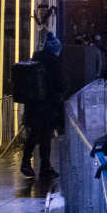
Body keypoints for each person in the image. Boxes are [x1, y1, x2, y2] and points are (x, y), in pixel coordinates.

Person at [21, 31, 67, 180]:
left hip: (33, 105)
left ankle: (25, 162)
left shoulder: (35, 59)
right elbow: (60, 85)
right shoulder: (54, 62)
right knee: (46, 137)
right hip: (47, 107)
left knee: (34, 134)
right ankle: (45, 168)